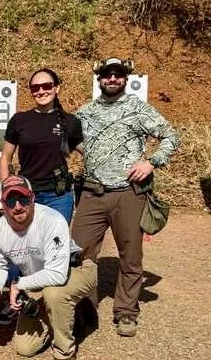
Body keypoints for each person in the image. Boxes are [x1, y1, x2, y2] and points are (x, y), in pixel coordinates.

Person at [72, 56, 181, 338]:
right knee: (79, 254)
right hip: (92, 193)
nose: (112, 79)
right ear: (99, 79)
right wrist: (95, 156)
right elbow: (71, 141)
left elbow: (171, 136)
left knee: (131, 257)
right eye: (107, 75)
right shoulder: (84, 113)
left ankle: (126, 312)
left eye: (117, 75)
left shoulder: (138, 109)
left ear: (125, 79)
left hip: (128, 194)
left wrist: (151, 162)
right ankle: (84, 309)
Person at [0, 175, 98, 360]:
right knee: (24, 348)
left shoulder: (52, 220)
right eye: (11, 201)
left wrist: (20, 284)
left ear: (33, 198)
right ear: (2, 204)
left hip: (75, 269)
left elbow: (57, 274)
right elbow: (1, 265)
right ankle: (77, 311)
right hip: (38, 279)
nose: (18, 206)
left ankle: (65, 355)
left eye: (23, 199)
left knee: (55, 294)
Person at [0, 68, 82, 224]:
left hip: (59, 196)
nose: (41, 91)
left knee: (56, 244)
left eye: (47, 86)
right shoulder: (19, 120)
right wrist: (7, 189)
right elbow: (5, 159)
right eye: (35, 88)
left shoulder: (70, 122)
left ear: (57, 88)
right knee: (29, 244)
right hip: (26, 193)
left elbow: (92, 152)